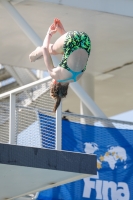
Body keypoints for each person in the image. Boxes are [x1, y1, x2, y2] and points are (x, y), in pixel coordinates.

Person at [29, 18, 91, 112]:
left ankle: (61, 30)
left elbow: (75, 53)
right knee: (51, 50)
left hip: (85, 39)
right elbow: (45, 48)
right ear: (55, 82)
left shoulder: (77, 78)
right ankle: (36, 53)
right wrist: (49, 34)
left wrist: (63, 32)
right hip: (71, 39)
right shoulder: (56, 75)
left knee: (65, 53)